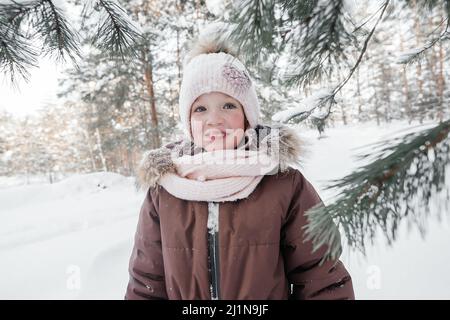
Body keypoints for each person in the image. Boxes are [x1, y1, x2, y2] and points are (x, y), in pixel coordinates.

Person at [124, 33, 355, 300]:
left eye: (228, 105)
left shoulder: (283, 182)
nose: (215, 119)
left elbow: (321, 274)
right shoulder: (165, 188)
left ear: (247, 117)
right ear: (187, 121)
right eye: (200, 109)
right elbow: (147, 281)